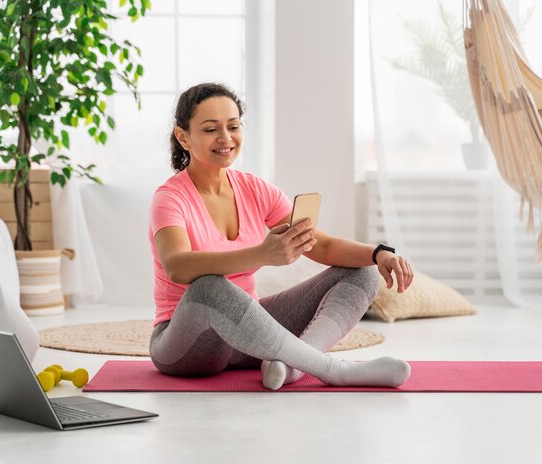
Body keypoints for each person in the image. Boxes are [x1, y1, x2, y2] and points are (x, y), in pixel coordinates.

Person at [148, 82, 413, 390]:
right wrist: (262, 254)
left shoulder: (255, 189)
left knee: (363, 273)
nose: (225, 138)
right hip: (186, 345)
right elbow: (177, 266)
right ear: (183, 137)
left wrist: (379, 252)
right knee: (208, 287)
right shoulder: (170, 198)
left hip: (245, 336)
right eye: (210, 129)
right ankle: (331, 370)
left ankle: (293, 368)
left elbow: (322, 246)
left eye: (233, 126)